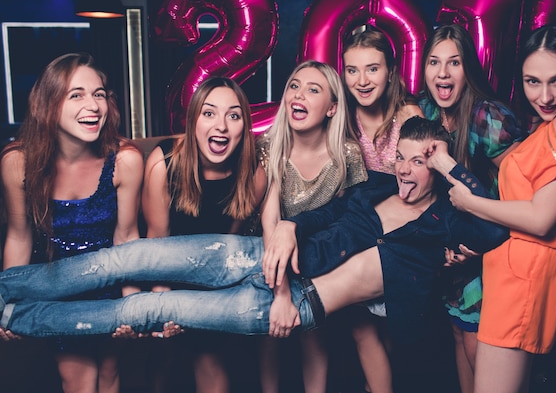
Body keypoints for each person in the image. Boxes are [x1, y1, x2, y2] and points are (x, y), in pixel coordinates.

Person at [0, 118, 508, 393]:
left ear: (439, 169)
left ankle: (17, 320)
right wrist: (286, 225)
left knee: (146, 309)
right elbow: (314, 219)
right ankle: (6, 291)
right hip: (250, 255)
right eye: (405, 157)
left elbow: (494, 227)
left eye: (424, 163)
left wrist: (450, 166)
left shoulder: (445, 222)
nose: (408, 170)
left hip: (290, 305)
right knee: (127, 259)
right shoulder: (373, 189)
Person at [429, 24, 556, 393]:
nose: (544, 96)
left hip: (526, 275)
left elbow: (542, 218)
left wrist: (471, 202)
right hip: (509, 272)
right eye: (532, 81)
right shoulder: (549, 126)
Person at [0, 52, 144, 393]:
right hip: (54, 290)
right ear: (45, 104)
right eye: (76, 94)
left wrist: (135, 305)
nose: (93, 105)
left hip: (110, 290)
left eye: (99, 94)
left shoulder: (125, 161)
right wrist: (8, 303)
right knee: (78, 382)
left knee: (109, 378)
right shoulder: (17, 162)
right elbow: (19, 237)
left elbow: (127, 238)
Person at [138, 76, 267, 393]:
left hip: (216, 283)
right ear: (193, 120)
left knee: (210, 360)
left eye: (233, 115)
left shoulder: (255, 174)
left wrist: (211, 308)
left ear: (244, 127)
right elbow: (156, 241)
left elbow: (229, 248)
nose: (221, 126)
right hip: (164, 274)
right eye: (209, 113)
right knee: (161, 364)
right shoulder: (163, 162)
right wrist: (163, 306)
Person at [417, 23, 526, 393]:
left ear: (469, 69)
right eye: (434, 62)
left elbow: (525, 197)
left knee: (476, 346)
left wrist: (478, 250)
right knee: (458, 338)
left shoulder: (488, 118)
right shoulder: (426, 112)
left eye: (454, 62)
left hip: (495, 250)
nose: (442, 73)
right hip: (454, 254)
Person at [255, 60, 367, 393]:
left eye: (312, 89)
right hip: (267, 256)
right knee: (268, 334)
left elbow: (349, 216)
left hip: (318, 262)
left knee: (314, 332)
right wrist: (280, 293)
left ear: (332, 108)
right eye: (294, 86)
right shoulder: (267, 148)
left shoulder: (347, 155)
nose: (298, 95)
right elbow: (269, 220)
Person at [339, 25, 424, 393]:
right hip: (358, 231)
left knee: (396, 337)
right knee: (361, 329)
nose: (362, 80)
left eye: (372, 68)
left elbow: (429, 184)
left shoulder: (409, 115)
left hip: (404, 237)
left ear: (390, 71)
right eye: (352, 70)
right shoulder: (340, 118)